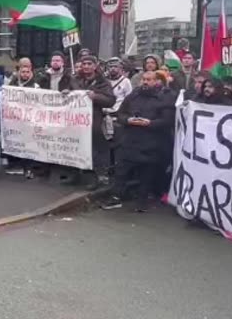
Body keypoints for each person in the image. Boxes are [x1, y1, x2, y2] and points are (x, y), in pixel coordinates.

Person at [103, 69, 175, 212]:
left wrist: (150, 123)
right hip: (130, 140)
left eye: (149, 80)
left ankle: (142, 201)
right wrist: (128, 120)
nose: (145, 82)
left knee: (146, 174)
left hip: (151, 143)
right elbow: (121, 113)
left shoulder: (164, 98)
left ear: (156, 82)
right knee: (121, 171)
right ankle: (116, 197)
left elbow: (167, 121)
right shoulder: (134, 95)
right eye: (144, 79)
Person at [72, 53, 117, 188]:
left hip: (95, 122)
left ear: (95, 66)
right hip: (77, 120)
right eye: (84, 64)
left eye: (89, 64)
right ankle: (77, 175)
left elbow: (110, 100)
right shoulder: (75, 80)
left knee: (95, 150)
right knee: (78, 148)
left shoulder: (103, 82)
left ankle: (96, 178)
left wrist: (95, 97)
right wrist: (66, 93)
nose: (86, 66)